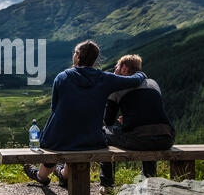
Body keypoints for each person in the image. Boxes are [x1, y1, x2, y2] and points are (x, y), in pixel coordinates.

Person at [24, 40, 147, 187]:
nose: (73, 55)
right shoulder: (105, 79)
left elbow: (54, 108)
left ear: (78, 56)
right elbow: (132, 80)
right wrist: (141, 74)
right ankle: (63, 174)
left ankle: (41, 176)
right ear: (94, 59)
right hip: (91, 139)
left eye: (75, 52)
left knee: (60, 137)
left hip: (59, 139)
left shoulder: (62, 77)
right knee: (78, 139)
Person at [99, 54, 175, 194]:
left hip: (138, 138)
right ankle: (149, 177)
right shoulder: (153, 84)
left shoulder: (117, 87)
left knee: (103, 131)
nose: (114, 70)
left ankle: (107, 183)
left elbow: (108, 121)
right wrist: (129, 118)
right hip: (166, 138)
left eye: (116, 67)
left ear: (124, 69)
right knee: (147, 131)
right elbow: (150, 113)